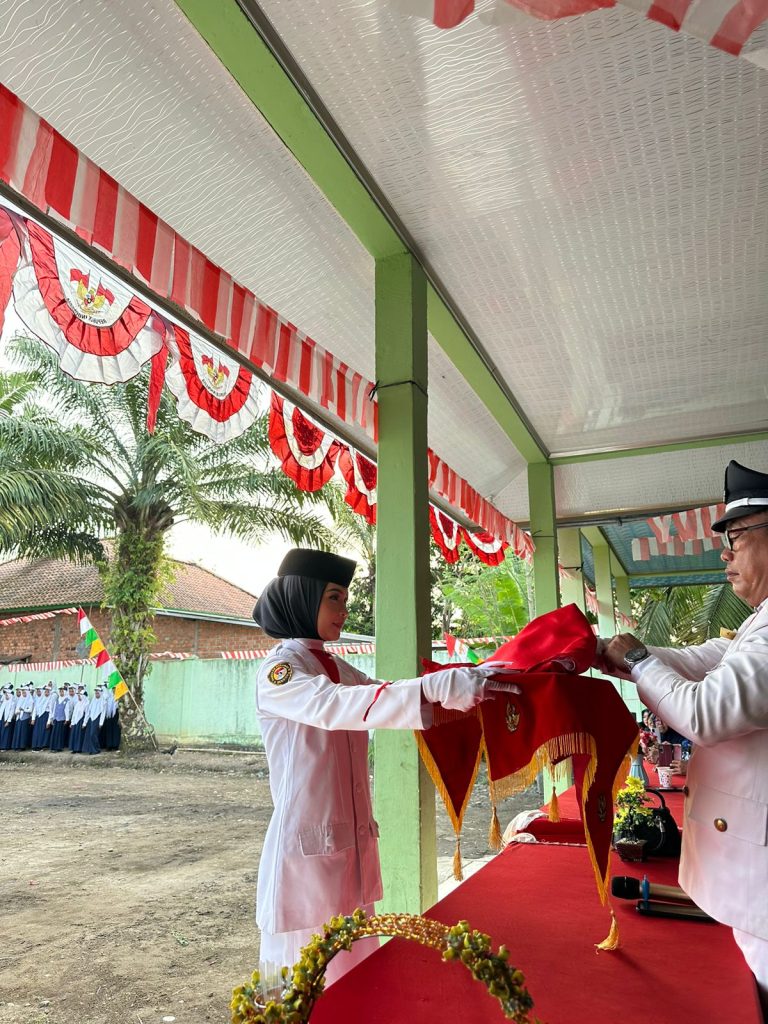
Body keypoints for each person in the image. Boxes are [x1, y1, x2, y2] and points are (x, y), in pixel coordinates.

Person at [251, 547, 515, 988]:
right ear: (303, 597)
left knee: (357, 979)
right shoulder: (281, 669)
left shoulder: (335, 667)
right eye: (334, 597)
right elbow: (335, 706)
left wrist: (466, 681)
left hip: (347, 851)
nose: (345, 607)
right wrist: (435, 686)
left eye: (344, 598)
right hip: (307, 860)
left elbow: (389, 695)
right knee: (305, 985)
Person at [596, 460, 768, 1018]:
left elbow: (707, 710)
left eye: (738, 537)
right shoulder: (757, 624)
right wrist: (616, 655)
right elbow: (698, 662)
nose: (726, 553)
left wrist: (639, 660)